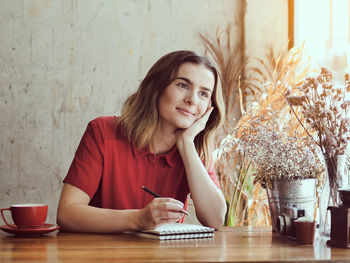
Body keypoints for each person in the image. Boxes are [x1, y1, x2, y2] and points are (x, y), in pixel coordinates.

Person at [57, 50, 227, 233]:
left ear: (210, 107)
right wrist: (138, 219)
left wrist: (186, 143)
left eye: (203, 94)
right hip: (103, 254)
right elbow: (67, 214)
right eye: (183, 85)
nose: (192, 100)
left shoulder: (195, 149)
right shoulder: (102, 132)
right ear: (157, 87)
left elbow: (215, 220)